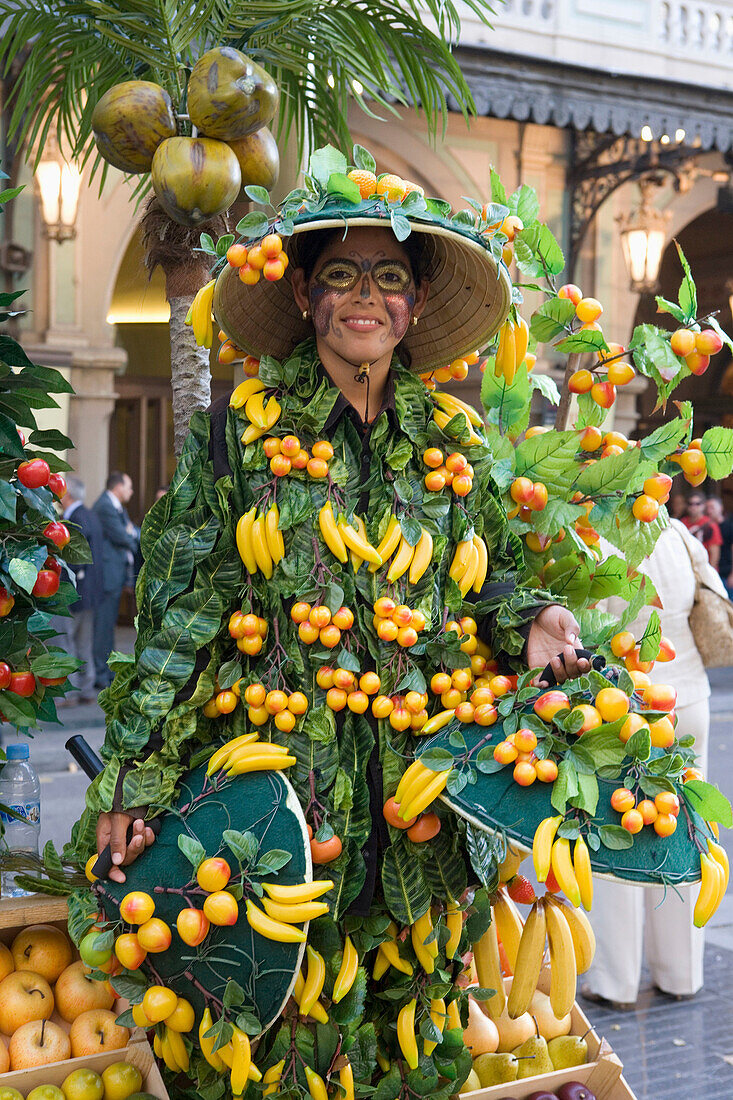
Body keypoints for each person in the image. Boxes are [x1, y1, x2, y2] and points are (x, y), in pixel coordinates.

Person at [92, 217, 588, 876]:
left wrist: (528, 621)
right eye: (339, 275)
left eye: (389, 278)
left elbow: (486, 579)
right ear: (302, 291)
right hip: (268, 794)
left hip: (421, 802)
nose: (365, 295)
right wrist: (132, 778)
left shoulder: (451, 446)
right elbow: (178, 621)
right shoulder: (234, 438)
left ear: (416, 301)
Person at [584, 517, 723, 1008]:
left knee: (618, 836)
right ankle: (680, 973)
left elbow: (586, 628)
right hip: (689, 700)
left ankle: (615, 981)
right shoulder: (680, 534)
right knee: (684, 831)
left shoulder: (595, 541)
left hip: (628, 709)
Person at [51, 476, 104, 705]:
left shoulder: (75, 519)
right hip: (88, 593)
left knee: (65, 642)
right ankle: (86, 689)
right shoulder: (90, 515)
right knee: (83, 643)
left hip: (71, 592)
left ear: (66, 494)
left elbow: (74, 560)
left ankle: (70, 692)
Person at [92, 471, 138, 688]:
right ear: (118, 487)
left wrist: (130, 534)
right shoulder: (105, 506)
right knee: (103, 626)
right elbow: (124, 536)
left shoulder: (117, 507)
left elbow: (130, 534)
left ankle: (106, 672)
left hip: (115, 575)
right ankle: (101, 674)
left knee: (108, 625)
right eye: (129, 487)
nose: (131, 491)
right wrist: (130, 535)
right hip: (107, 577)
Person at [682, 491, 722, 568]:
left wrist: (710, 573)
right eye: (690, 504)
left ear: (703, 506)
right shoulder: (682, 523)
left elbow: (715, 553)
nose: (694, 507)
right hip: (687, 568)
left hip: (704, 568)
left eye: (697, 504)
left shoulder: (710, 525)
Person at [706, 497, 733, 597]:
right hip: (713, 573)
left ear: (720, 508)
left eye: (712, 507)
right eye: (707, 508)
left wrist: (732, 574)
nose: (709, 511)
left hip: (726, 573)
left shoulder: (729, 527)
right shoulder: (706, 527)